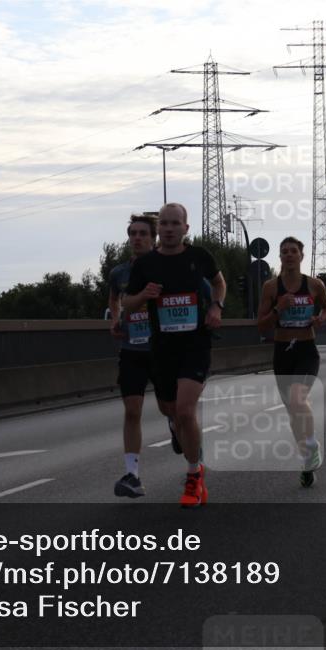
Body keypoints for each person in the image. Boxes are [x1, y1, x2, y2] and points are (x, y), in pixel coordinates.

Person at [123, 203, 226, 508]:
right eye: (164, 224)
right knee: (170, 410)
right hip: (162, 347)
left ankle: (194, 475)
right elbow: (127, 303)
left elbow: (219, 282)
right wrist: (143, 296)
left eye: (174, 223)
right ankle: (175, 429)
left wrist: (216, 306)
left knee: (185, 411)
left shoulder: (199, 257)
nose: (168, 228)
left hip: (195, 343)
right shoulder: (146, 264)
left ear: (185, 228)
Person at [256, 237, 326, 487]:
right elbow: (261, 324)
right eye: (284, 252)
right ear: (280, 257)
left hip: (306, 350)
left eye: (293, 251)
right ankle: (306, 460)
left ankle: (311, 445)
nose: (288, 255)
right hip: (282, 351)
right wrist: (279, 308)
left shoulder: (314, 285)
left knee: (299, 399)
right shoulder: (270, 287)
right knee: (293, 412)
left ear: (301, 256)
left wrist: (321, 318)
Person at [108, 213, 171, 498]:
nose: (137, 238)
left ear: (153, 238)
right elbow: (114, 298)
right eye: (133, 233)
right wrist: (116, 319)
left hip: (162, 350)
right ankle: (132, 475)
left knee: (169, 409)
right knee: (132, 410)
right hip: (132, 350)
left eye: (143, 233)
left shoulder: (167, 267)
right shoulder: (120, 272)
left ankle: (178, 426)